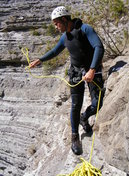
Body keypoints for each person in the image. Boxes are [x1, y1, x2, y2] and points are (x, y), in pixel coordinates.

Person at [29, 6, 104, 155]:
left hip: (92, 69)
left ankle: (85, 117)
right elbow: (55, 51)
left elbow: (99, 47)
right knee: (76, 104)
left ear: (64, 19)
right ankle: (75, 136)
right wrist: (40, 60)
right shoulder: (65, 37)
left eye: (57, 24)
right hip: (75, 71)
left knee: (98, 103)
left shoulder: (85, 29)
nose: (56, 27)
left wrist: (92, 69)